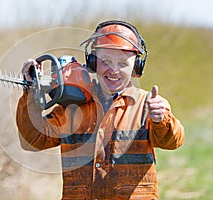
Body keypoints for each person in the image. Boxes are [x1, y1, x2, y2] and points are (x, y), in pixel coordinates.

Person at [16, 20, 184, 199]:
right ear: (93, 61)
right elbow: (32, 141)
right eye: (106, 61)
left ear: (136, 66)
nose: (114, 70)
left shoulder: (148, 104)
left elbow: (173, 141)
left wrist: (161, 120)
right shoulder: (73, 108)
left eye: (122, 63)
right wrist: (31, 95)